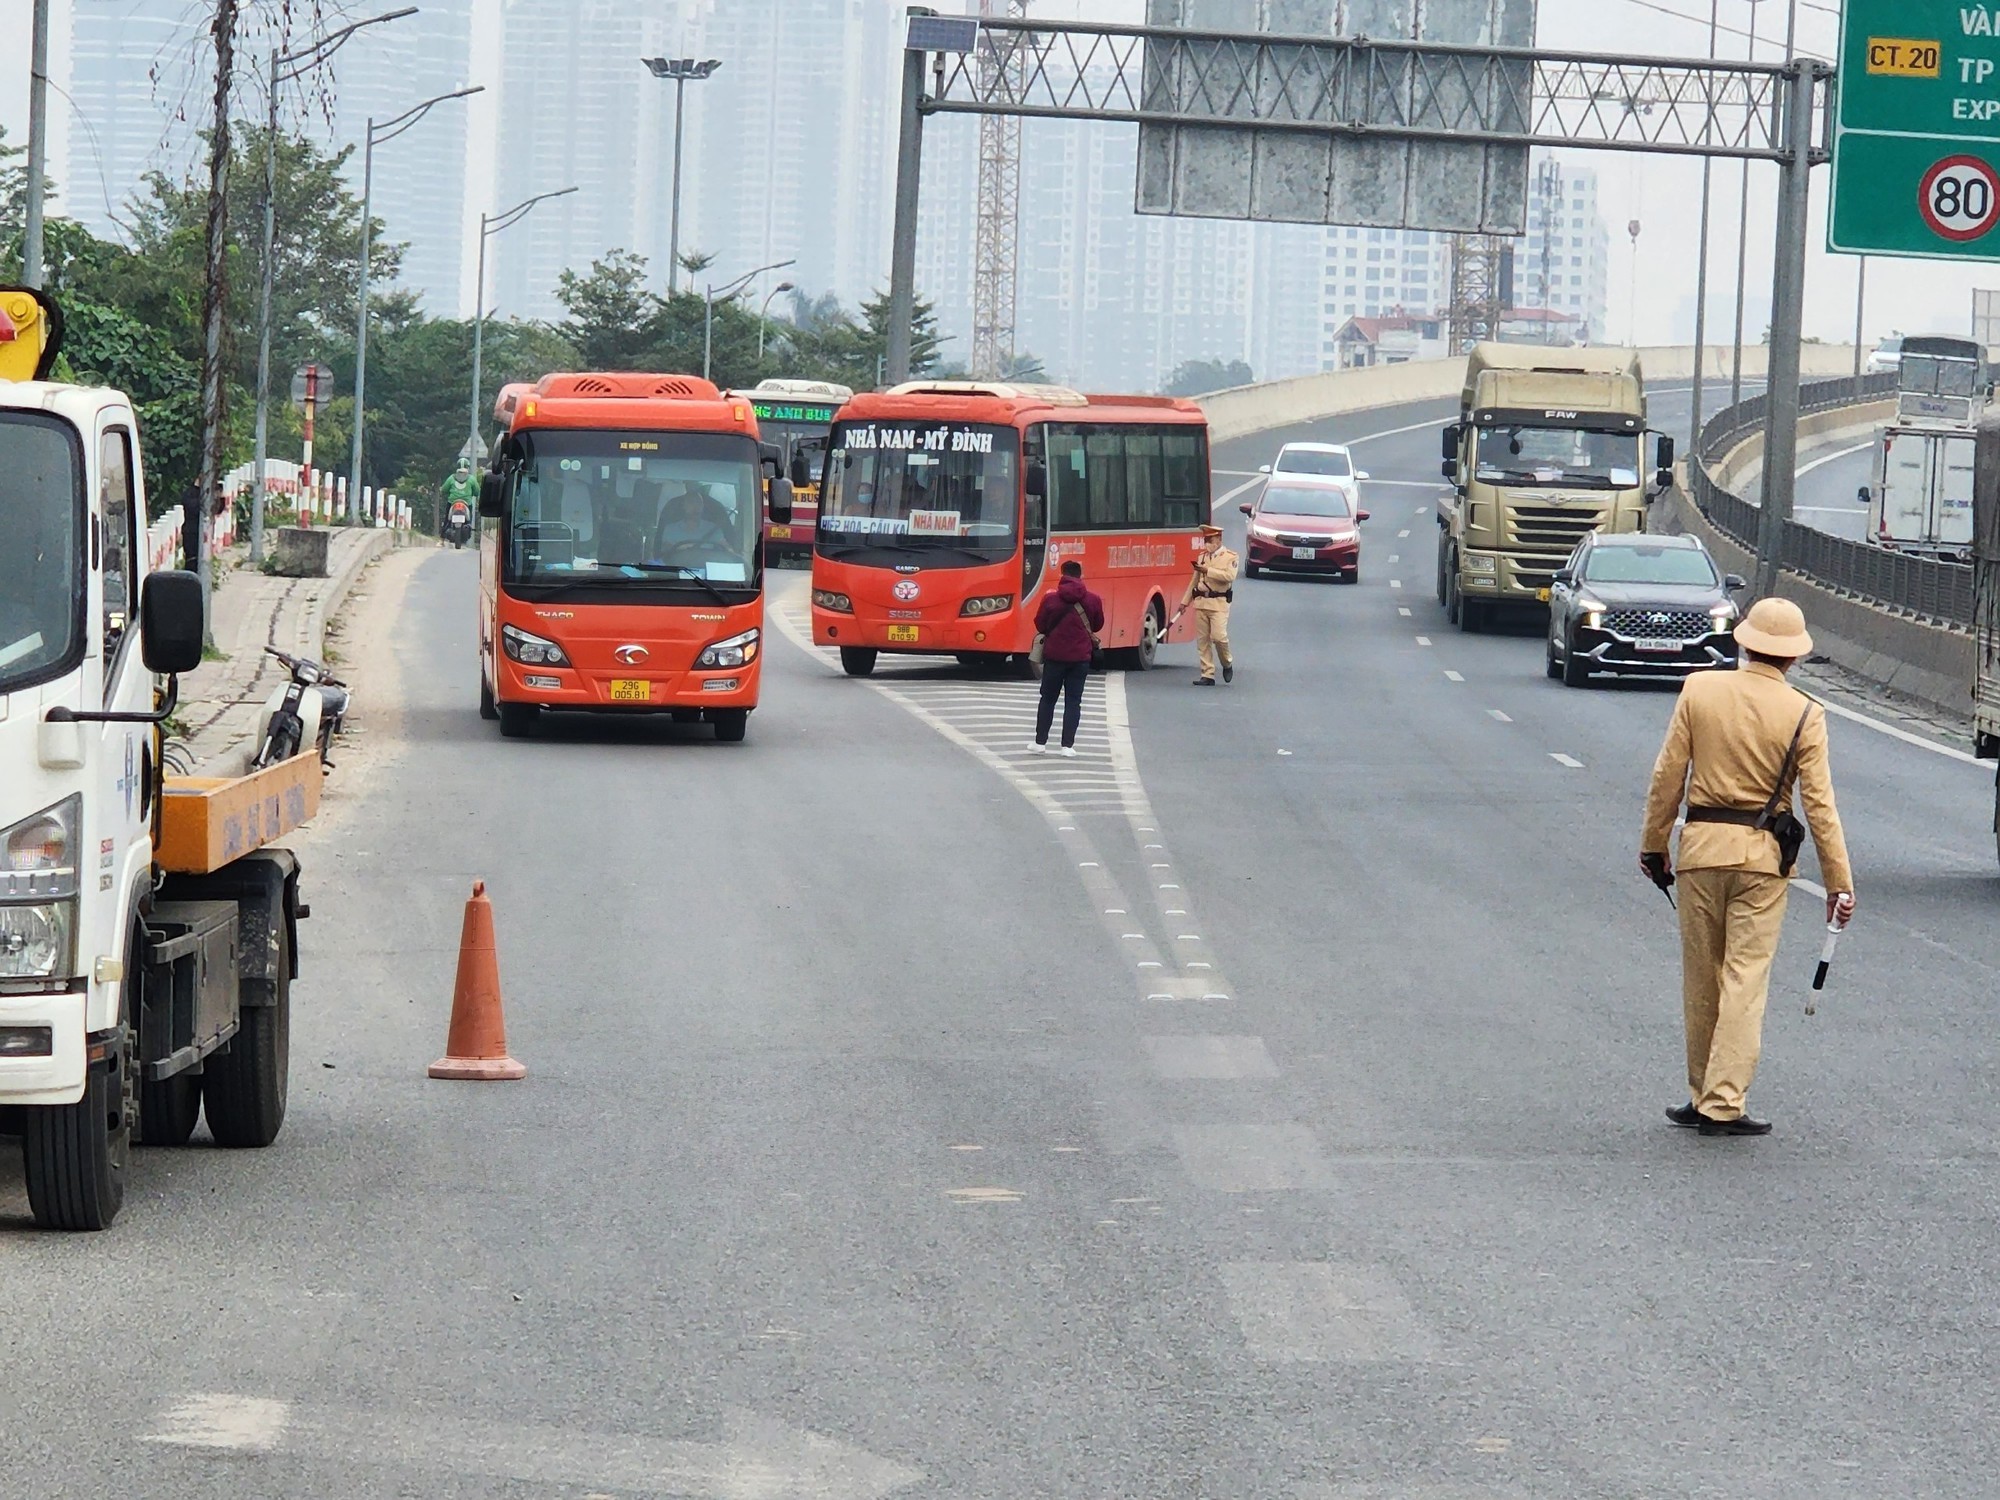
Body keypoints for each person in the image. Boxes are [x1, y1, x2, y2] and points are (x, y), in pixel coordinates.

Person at [1640, 597, 1854, 1138]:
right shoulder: (1805, 713)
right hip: (1762, 862)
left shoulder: (1699, 690)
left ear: (1745, 642)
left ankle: (1701, 1092)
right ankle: (1723, 1102)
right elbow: (1820, 806)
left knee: (1701, 977)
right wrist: (1838, 884)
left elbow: (1668, 776)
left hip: (1700, 851)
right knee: (1744, 978)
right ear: (1794, 657)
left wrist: (1654, 844)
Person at [1031, 559, 1104, 757]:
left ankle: (1040, 743)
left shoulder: (1050, 599)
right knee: (1073, 701)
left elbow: (1040, 625)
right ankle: (1067, 746)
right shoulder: (1093, 599)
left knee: (1048, 699)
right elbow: (1097, 625)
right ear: (1081, 575)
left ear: (1062, 575)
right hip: (1080, 658)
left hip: (1054, 657)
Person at [1179, 522, 1239, 686]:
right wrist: (1184, 602)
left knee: (1219, 637)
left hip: (1219, 603)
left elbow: (1229, 576)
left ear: (1218, 540)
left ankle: (1227, 662)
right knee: (1203, 641)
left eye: (1210, 541)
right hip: (1201, 602)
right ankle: (1207, 674)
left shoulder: (1230, 557)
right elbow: (1194, 581)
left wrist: (1208, 571)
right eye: (1206, 541)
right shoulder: (1202, 557)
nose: (1207, 544)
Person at [440, 458, 478, 537]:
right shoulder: (472, 479)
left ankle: (442, 539)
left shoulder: (451, 478)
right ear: (468, 467)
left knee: (447, 520)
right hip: (467, 503)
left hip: (452, 502)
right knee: (469, 520)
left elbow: (444, 490)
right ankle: (469, 526)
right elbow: (477, 492)